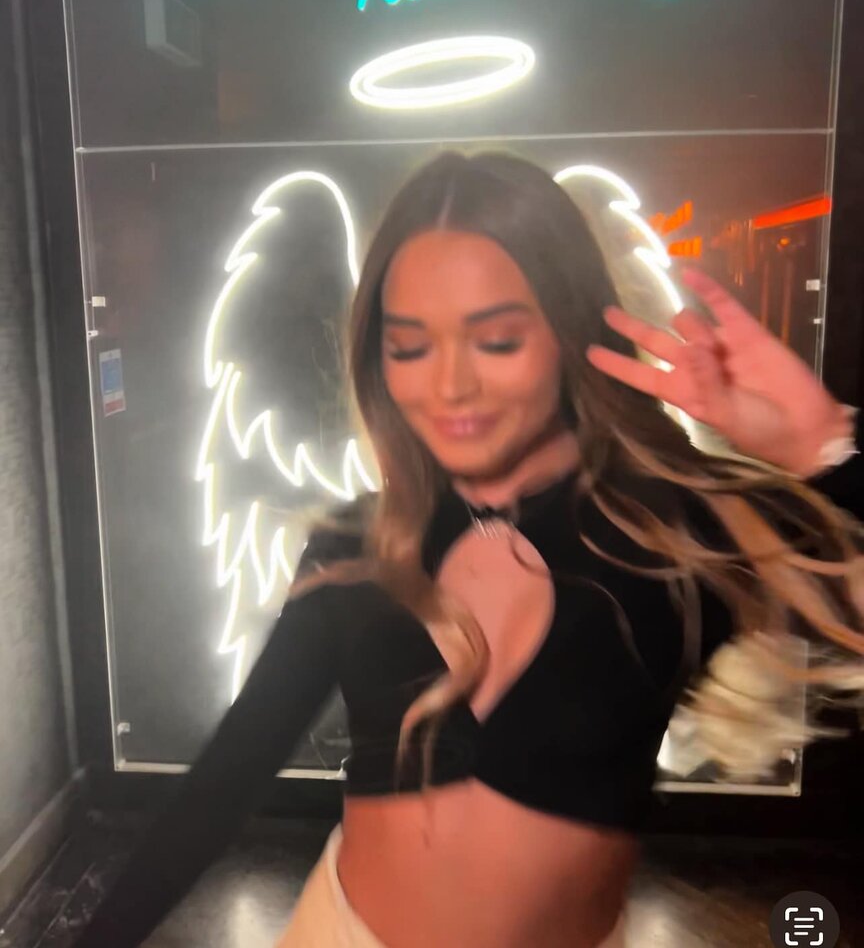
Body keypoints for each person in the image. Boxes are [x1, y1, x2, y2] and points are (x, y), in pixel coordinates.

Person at [73, 151, 864, 948]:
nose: (449, 387)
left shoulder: (677, 529)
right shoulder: (359, 543)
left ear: (570, 329)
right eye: (410, 348)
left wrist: (823, 444)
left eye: (496, 341)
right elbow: (224, 781)